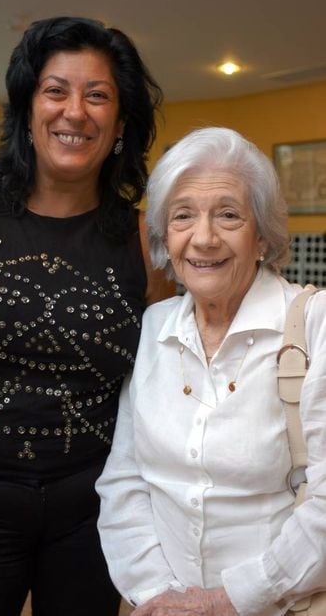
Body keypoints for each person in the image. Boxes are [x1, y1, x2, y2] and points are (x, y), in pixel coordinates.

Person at [0, 16, 175, 616]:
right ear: (27, 109)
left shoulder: (143, 241)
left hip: (95, 513)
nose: (74, 112)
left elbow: (162, 388)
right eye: (55, 90)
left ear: (121, 125)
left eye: (98, 95)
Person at [96, 127, 326, 616]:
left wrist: (229, 600)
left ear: (262, 234)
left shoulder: (314, 325)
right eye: (183, 216)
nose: (203, 238)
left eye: (228, 214)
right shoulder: (153, 328)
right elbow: (125, 480)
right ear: (164, 237)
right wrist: (158, 595)